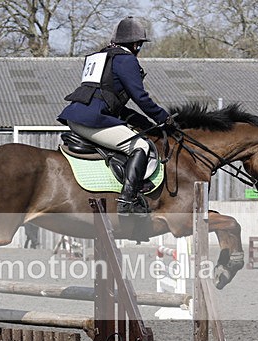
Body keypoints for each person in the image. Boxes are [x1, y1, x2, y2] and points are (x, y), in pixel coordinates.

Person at [58, 16, 173, 215]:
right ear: (135, 44)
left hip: (77, 116)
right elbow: (140, 97)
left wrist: (146, 123)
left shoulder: (101, 57)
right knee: (141, 146)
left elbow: (113, 104)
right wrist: (163, 118)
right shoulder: (126, 60)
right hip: (92, 121)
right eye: (139, 45)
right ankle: (127, 200)